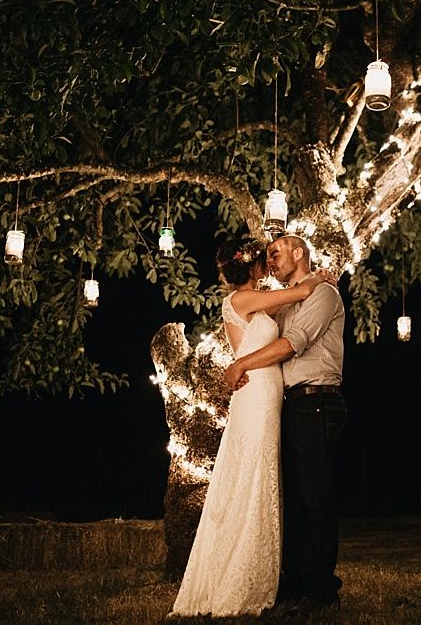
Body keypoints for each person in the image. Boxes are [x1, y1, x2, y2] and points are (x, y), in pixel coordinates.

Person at [169, 237, 331, 618]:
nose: (270, 265)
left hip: (269, 394)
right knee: (252, 475)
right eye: (266, 259)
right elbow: (301, 291)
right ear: (254, 266)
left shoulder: (258, 303)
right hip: (256, 394)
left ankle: (269, 572)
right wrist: (320, 276)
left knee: (265, 475)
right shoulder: (241, 300)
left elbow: (293, 303)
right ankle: (238, 575)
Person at [223, 234, 346, 612]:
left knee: (314, 499)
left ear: (299, 253)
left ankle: (321, 590)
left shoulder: (323, 295)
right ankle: (293, 585)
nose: (270, 260)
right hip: (289, 405)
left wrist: (242, 363)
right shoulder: (290, 299)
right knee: (291, 500)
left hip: (317, 402)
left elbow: (293, 343)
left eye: (276, 253)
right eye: (266, 256)